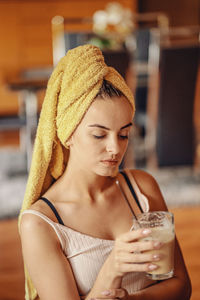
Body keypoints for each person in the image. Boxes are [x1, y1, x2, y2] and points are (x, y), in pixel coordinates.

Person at [19, 45, 191, 300]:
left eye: (124, 134)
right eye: (99, 134)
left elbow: (180, 286)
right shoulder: (41, 224)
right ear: (68, 134)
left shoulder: (141, 189)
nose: (115, 148)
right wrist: (112, 270)